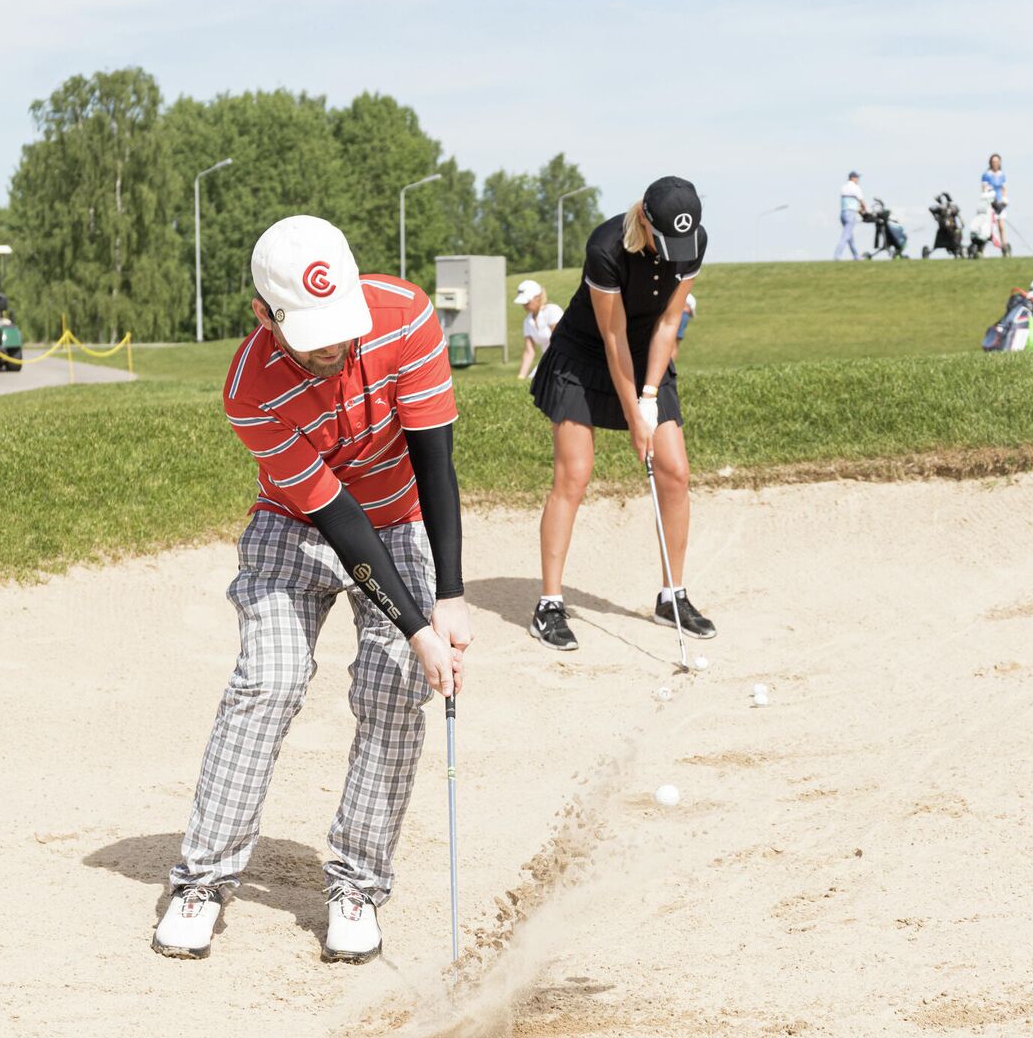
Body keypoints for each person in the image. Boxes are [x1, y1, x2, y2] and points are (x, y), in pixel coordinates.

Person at [153, 214, 469, 965]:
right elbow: (336, 518)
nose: (336, 347)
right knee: (269, 680)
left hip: (401, 523)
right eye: (314, 334)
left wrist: (447, 597)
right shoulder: (249, 390)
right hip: (297, 525)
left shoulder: (406, 319)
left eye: (342, 327)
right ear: (263, 316)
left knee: (397, 685)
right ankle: (201, 881)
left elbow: (436, 466)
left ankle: (358, 885)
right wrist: (418, 628)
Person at [528, 176, 716, 651]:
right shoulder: (606, 247)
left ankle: (672, 594)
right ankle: (549, 603)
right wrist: (635, 419)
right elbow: (612, 341)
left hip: (647, 351)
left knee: (674, 471)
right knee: (574, 473)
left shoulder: (692, 242)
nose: (676, 252)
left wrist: (650, 396)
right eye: (665, 241)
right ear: (645, 223)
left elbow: (669, 322)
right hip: (586, 354)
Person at [514, 279, 563, 380]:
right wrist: (521, 376)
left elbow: (560, 342)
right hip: (547, 360)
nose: (524, 305)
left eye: (527, 301)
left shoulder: (552, 311)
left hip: (562, 361)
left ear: (537, 297)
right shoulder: (527, 321)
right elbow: (529, 351)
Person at [836, 170, 867, 260]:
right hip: (850, 214)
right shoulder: (855, 187)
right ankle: (837, 255)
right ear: (853, 178)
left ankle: (856, 256)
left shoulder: (843, 187)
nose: (858, 179)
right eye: (857, 177)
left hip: (843, 214)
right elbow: (861, 201)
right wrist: (865, 210)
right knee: (845, 236)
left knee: (850, 237)